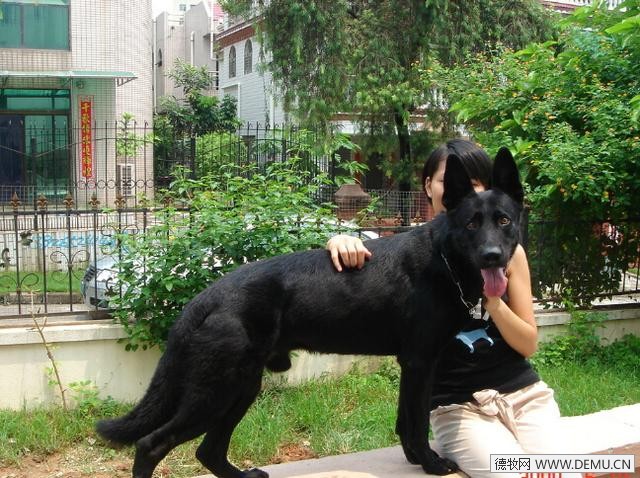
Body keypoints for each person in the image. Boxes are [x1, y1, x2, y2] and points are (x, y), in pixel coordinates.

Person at [326, 139, 577, 478]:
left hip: (524, 395)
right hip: (459, 407)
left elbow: (528, 344)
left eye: (477, 181)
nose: (469, 191)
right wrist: (340, 240)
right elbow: (367, 260)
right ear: (429, 185)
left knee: (564, 472)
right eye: (451, 180)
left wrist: (492, 298)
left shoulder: (508, 254)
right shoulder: (412, 257)